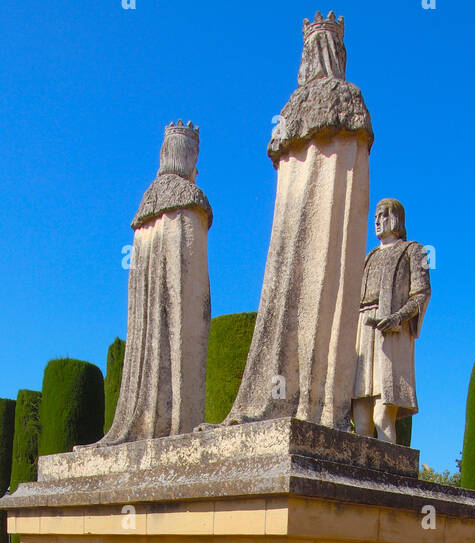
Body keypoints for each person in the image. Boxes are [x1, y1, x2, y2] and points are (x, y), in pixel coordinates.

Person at [224, 12, 372, 431]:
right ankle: (318, 404)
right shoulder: (347, 96)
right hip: (321, 227)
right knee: (314, 295)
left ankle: (312, 402)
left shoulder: (294, 107)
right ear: (338, 52)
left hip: (295, 230)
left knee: (290, 296)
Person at [102, 121, 212, 443]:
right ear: (188, 157)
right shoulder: (191, 198)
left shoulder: (146, 206)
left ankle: (147, 421)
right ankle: (179, 423)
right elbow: (193, 293)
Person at [352, 198, 431, 444]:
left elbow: (421, 295)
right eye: (375, 216)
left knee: (382, 415)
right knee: (361, 417)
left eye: (382, 215)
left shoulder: (413, 250)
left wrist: (397, 317)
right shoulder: (368, 257)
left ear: (395, 218)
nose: (376, 221)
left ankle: (386, 476)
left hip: (392, 333)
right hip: (362, 328)